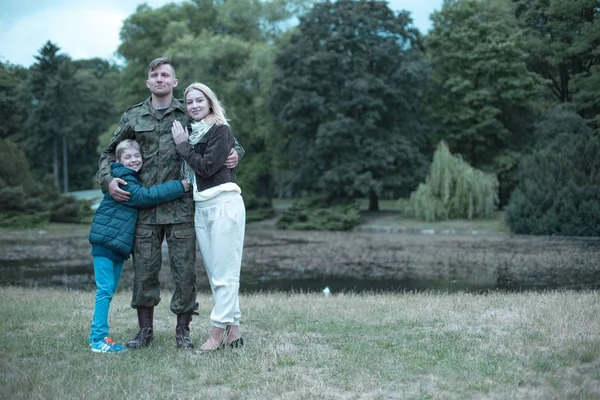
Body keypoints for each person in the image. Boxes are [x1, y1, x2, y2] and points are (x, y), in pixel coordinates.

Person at [96, 58, 244, 350]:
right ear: (148, 82)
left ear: (174, 82)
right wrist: (108, 181)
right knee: (145, 272)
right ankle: (145, 332)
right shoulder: (134, 116)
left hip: (182, 208)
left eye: (166, 75)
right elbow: (108, 153)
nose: (160, 79)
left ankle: (183, 332)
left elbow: (224, 136)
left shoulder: (188, 111)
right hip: (145, 209)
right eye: (155, 75)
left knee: (184, 272)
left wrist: (237, 152)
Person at [89, 139, 190, 353]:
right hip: (106, 242)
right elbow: (145, 197)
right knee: (105, 291)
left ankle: (99, 335)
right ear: (118, 160)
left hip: (115, 245)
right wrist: (179, 186)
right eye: (128, 157)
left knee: (108, 290)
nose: (134, 160)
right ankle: (97, 339)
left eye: (137, 156)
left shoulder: (132, 175)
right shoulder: (123, 177)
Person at [172, 82, 246, 351]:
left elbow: (205, 167)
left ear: (210, 102)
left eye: (199, 100)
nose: (194, 105)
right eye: (189, 101)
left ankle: (217, 334)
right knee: (217, 274)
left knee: (226, 273)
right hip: (201, 207)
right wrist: (185, 142)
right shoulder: (189, 131)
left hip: (224, 204)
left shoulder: (220, 130)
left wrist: (183, 146)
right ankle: (234, 331)